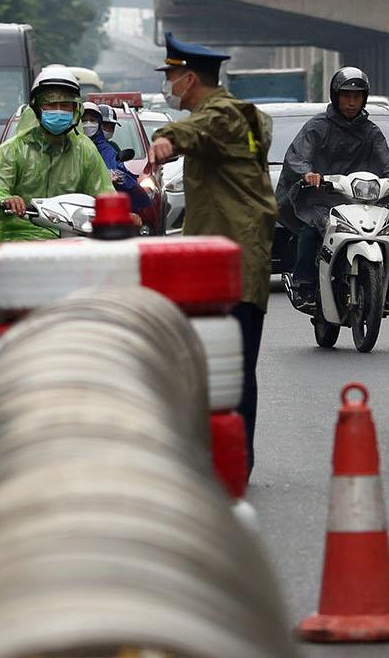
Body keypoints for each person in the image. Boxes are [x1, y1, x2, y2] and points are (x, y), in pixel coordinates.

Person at [147, 34, 277, 474]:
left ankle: (234, 460)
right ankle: (222, 455)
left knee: (233, 369)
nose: (168, 85)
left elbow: (195, 131)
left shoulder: (223, 114)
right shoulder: (235, 117)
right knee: (216, 366)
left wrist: (166, 139)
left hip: (234, 267)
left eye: (171, 77)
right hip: (222, 261)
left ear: (188, 79)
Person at [278, 67, 389, 313]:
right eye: (346, 95)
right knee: (311, 232)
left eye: (357, 96)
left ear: (365, 98)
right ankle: (305, 285)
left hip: (362, 200)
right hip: (321, 198)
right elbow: (298, 156)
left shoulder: (371, 131)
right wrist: (308, 174)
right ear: (335, 96)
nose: (352, 101)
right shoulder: (318, 127)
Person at [0, 65, 113, 249]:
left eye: (65, 105)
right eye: (50, 105)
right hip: (16, 237)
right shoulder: (12, 150)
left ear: (76, 110)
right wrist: (6, 201)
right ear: (36, 108)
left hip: (74, 236)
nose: (58, 111)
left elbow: (104, 192)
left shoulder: (85, 151)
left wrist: (120, 213)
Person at [86, 102, 150, 214]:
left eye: (92, 120)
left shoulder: (109, 149)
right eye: (84, 120)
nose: (88, 124)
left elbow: (118, 172)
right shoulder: (69, 145)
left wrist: (117, 177)